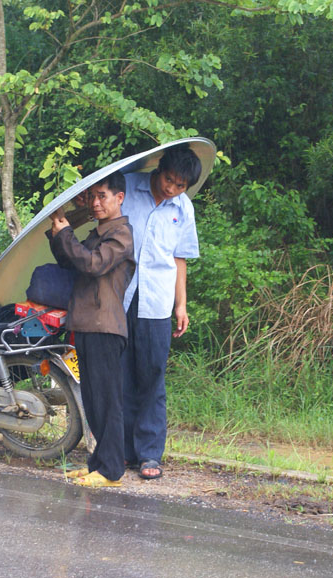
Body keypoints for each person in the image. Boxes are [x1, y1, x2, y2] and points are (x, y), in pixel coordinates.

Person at [48, 172, 135, 488]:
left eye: (103, 197)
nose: (96, 203)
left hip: (105, 326)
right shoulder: (98, 233)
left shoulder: (121, 235)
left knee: (108, 400)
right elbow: (68, 259)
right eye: (93, 197)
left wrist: (68, 232)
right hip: (85, 322)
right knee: (93, 399)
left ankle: (112, 470)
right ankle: (97, 463)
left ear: (119, 198)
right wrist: (63, 225)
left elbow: (92, 264)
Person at [121, 145, 202, 480]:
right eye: (169, 180)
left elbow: (180, 258)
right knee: (121, 373)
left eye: (180, 185)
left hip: (158, 301)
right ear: (160, 169)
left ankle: (150, 455)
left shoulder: (183, 208)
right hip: (120, 296)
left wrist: (181, 305)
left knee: (152, 374)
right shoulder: (126, 187)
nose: (171, 189)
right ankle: (123, 450)